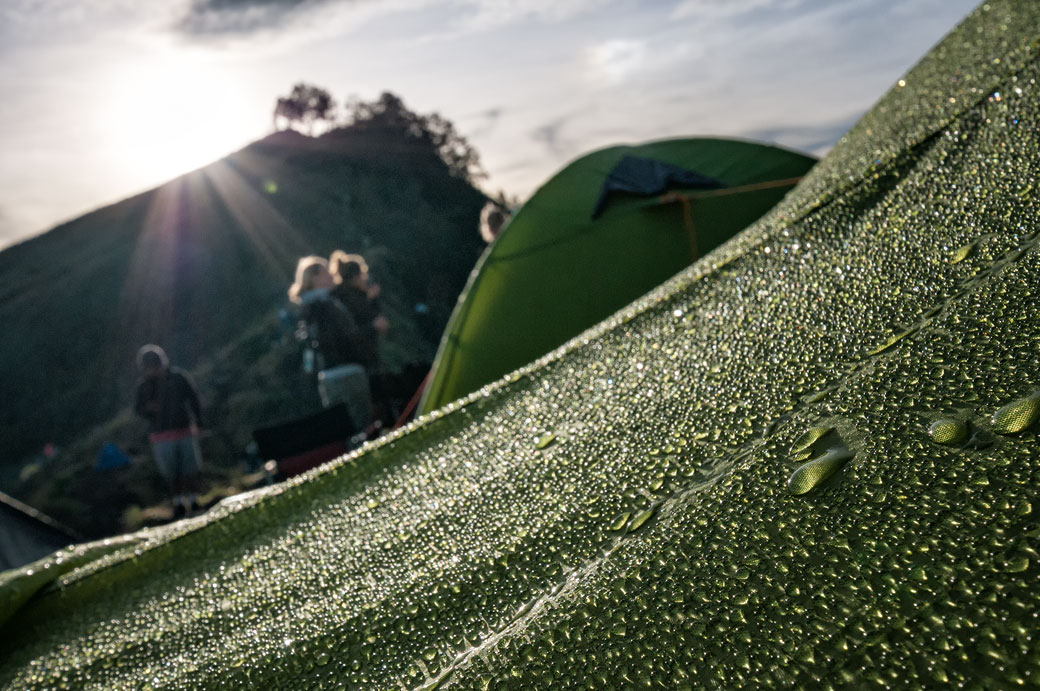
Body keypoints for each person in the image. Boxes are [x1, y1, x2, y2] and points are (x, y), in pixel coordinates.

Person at [288, 256, 374, 431]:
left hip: (328, 376)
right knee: (363, 427)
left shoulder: (306, 311)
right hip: (347, 371)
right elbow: (346, 336)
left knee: (345, 430)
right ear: (315, 278)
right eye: (326, 271)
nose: (331, 274)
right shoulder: (325, 306)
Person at [134, 345, 204, 518]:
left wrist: (200, 423)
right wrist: (148, 408)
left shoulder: (178, 378)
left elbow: (194, 399)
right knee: (172, 472)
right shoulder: (144, 387)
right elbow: (138, 409)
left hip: (184, 429)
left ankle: (194, 500)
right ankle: (179, 503)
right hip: (161, 436)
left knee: (190, 469)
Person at [329, 251, 393, 427]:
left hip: (361, 360)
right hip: (362, 360)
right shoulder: (350, 299)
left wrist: (371, 299)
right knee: (376, 405)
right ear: (356, 277)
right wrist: (372, 308)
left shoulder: (346, 297)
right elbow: (358, 329)